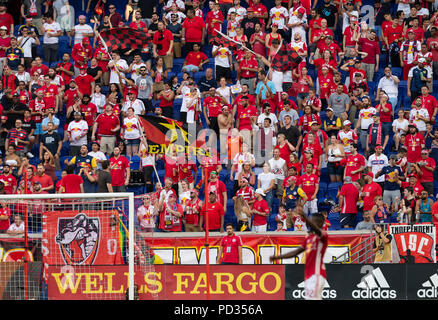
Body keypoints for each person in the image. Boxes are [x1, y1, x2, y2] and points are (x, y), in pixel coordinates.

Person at [270, 206, 328, 300]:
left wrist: (304, 216)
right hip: (309, 275)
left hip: (317, 274)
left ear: (319, 223)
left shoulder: (322, 236)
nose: (310, 222)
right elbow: (296, 252)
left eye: (312, 221)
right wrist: (278, 257)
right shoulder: (309, 238)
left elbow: (316, 229)